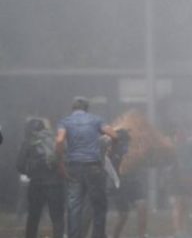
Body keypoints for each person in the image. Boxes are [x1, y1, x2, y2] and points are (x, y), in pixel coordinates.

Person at [55, 97, 120, 238]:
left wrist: (60, 162)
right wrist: (111, 151)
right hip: (93, 167)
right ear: (87, 108)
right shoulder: (96, 120)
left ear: (73, 108)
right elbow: (114, 135)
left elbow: (59, 140)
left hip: (73, 166)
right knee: (98, 205)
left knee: (74, 206)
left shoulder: (65, 122)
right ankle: (98, 235)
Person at [16, 117, 65, 238]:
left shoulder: (28, 141)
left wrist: (30, 172)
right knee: (57, 217)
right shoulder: (55, 139)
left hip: (36, 184)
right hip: (56, 184)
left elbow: (20, 165)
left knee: (33, 216)